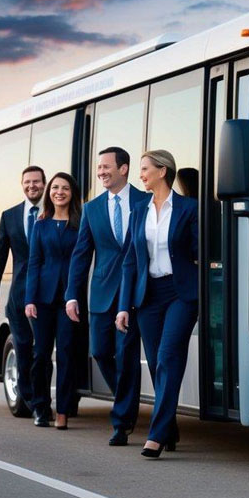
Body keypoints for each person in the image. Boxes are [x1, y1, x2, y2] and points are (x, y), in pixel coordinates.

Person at [65, 147, 150, 446]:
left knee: (126, 357)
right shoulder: (92, 208)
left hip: (135, 293)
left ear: (123, 169)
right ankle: (129, 402)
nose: (100, 171)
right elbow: (81, 255)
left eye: (106, 166)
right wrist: (72, 295)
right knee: (100, 351)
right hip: (101, 293)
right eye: (98, 167)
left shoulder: (147, 201)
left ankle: (122, 422)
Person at [116, 150, 198, 459]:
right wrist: (124, 306)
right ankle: (169, 427)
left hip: (180, 293)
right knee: (155, 362)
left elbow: (200, 250)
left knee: (167, 357)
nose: (141, 175)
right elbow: (129, 262)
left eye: (145, 169)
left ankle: (156, 434)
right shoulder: (139, 210)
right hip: (148, 295)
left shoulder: (189, 208)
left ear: (163, 172)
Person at [25, 172, 83, 429]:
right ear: (50, 192)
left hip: (70, 299)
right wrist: (30, 299)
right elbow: (34, 263)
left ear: (73, 194)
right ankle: (40, 407)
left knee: (68, 354)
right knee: (41, 354)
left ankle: (64, 410)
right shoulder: (41, 224)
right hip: (43, 299)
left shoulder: (80, 223)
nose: (60, 192)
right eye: (55, 187)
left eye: (65, 188)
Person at [0, 165, 45, 415]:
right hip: (19, 294)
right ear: (22, 185)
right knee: (22, 347)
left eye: (37, 182)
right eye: (27, 182)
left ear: (44, 184)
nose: (32, 186)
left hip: (48, 293)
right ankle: (28, 401)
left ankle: (46, 401)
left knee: (42, 348)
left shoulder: (54, 212)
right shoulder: (9, 216)